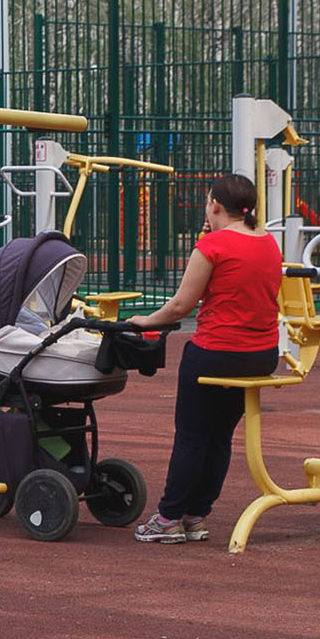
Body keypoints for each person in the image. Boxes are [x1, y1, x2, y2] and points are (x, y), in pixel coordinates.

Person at [124, 173, 283, 544]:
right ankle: (196, 514)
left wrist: (142, 320)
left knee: (193, 436)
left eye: (207, 204)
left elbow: (182, 304)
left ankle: (168, 517)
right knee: (219, 436)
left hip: (217, 352)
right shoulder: (269, 243)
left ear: (215, 206)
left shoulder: (212, 245)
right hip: (261, 355)